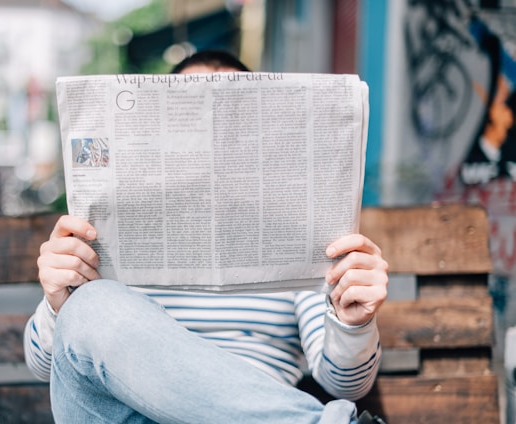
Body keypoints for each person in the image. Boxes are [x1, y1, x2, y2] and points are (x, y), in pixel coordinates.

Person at [24, 50, 388, 424]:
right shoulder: (106, 231)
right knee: (91, 305)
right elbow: (46, 367)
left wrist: (353, 323)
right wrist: (58, 304)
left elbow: (345, 384)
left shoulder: (298, 234)